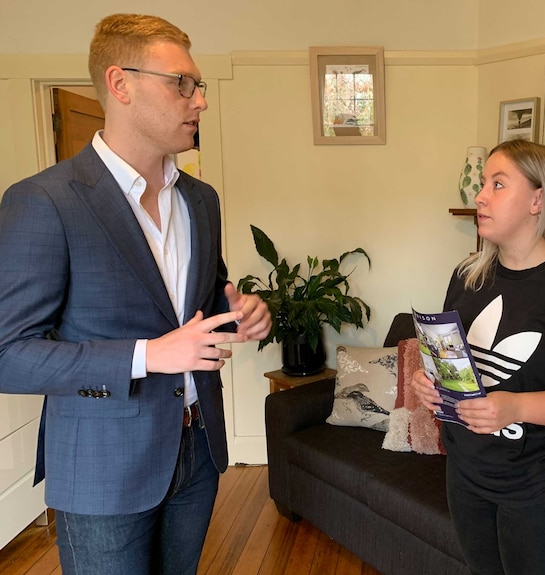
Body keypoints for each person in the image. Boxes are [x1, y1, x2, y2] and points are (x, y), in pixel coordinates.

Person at [0, 14, 272, 575]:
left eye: (197, 86)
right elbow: (8, 354)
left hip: (197, 451)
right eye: (183, 84)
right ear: (120, 84)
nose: (200, 101)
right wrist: (149, 355)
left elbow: (199, 301)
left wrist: (238, 311)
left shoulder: (202, 199)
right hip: (102, 466)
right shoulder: (44, 202)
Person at [412, 139, 545, 575]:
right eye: (483, 184)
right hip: (467, 476)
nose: (480, 196)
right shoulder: (467, 275)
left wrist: (517, 407)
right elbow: (457, 364)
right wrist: (432, 383)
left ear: (539, 199)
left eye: (498, 184)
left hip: (542, 488)